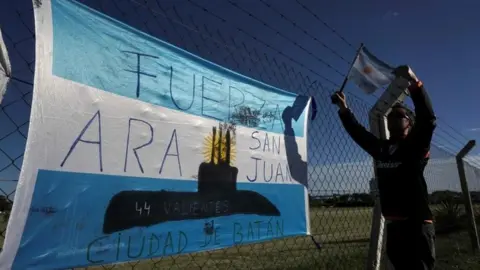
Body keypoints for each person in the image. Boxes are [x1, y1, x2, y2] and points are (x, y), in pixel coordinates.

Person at [332, 65, 436, 270]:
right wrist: (344, 110)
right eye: (390, 118)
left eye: (399, 117)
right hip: (395, 225)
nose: (392, 121)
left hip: (417, 225)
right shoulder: (382, 148)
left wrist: (415, 83)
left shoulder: (415, 145)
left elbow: (428, 120)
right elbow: (359, 134)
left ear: (410, 123)